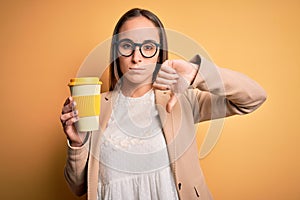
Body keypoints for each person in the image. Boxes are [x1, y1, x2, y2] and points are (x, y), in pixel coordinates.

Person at [60, 8, 266, 200]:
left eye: (148, 47)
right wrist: (77, 143)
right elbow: (79, 187)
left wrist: (196, 73)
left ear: (159, 53)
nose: (136, 57)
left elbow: (254, 97)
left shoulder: (182, 99)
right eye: (126, 46)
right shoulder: (96, 108)